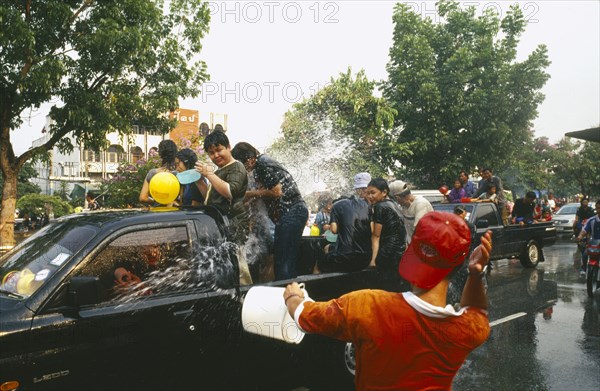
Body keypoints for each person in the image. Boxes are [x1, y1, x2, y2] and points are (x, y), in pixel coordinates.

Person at [283, 212, 493, 391]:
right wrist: (475, 274)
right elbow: (476, 310)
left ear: (411, 251)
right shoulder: (466, 330)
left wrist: (293, 296)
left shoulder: (368, 306)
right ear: (457, 266)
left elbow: (305, 316)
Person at [231, 142, 308, 280]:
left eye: (242, 165)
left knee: (284, 263)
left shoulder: (262, 164)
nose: (244, 170)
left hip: (293, 211)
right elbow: (263, 194)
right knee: (282, 260)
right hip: (292, 213)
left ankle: (289, 297)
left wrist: (249, 194)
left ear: (249, 159)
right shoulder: (262, 163)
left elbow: (277, 192)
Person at [195, 131, 249, 244]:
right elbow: (211, 197)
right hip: (222, 223)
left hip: (234, 225)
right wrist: (199, 181)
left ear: (229, 147)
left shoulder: (237, 167)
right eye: (211, 153)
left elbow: (230, 192)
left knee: (236, 259)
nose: (216, 155)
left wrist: (209, 174)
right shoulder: (219, 170)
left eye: (219, 150)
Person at [316, 172, 372, 273]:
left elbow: (334, 230)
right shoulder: (373, 206)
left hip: (345, 257)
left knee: (319, 263)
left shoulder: (338, 206)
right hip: (367, 257)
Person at [365, 178, 406, 273]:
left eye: (373, 193)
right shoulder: (394, 204)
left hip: (387, 253)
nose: (369, 196)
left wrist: (373, 261)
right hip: (399, 251)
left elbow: (376, 236)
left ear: (384, 192)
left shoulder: (380, 207)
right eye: (368, 193)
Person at [139, 139, 178, 205]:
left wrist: (156, 202)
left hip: (157, 213)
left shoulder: (152, 173)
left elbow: (143, 198)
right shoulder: (178, 175)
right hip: (175, 212)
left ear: (160, 154)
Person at [576, 199, 600, 274]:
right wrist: (580, 236)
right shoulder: (591, 220)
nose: (599, 210)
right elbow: (584, 230)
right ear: (596, 208)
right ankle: (584, 269)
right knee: (585, 253)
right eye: (598, 208)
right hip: (595, 245)